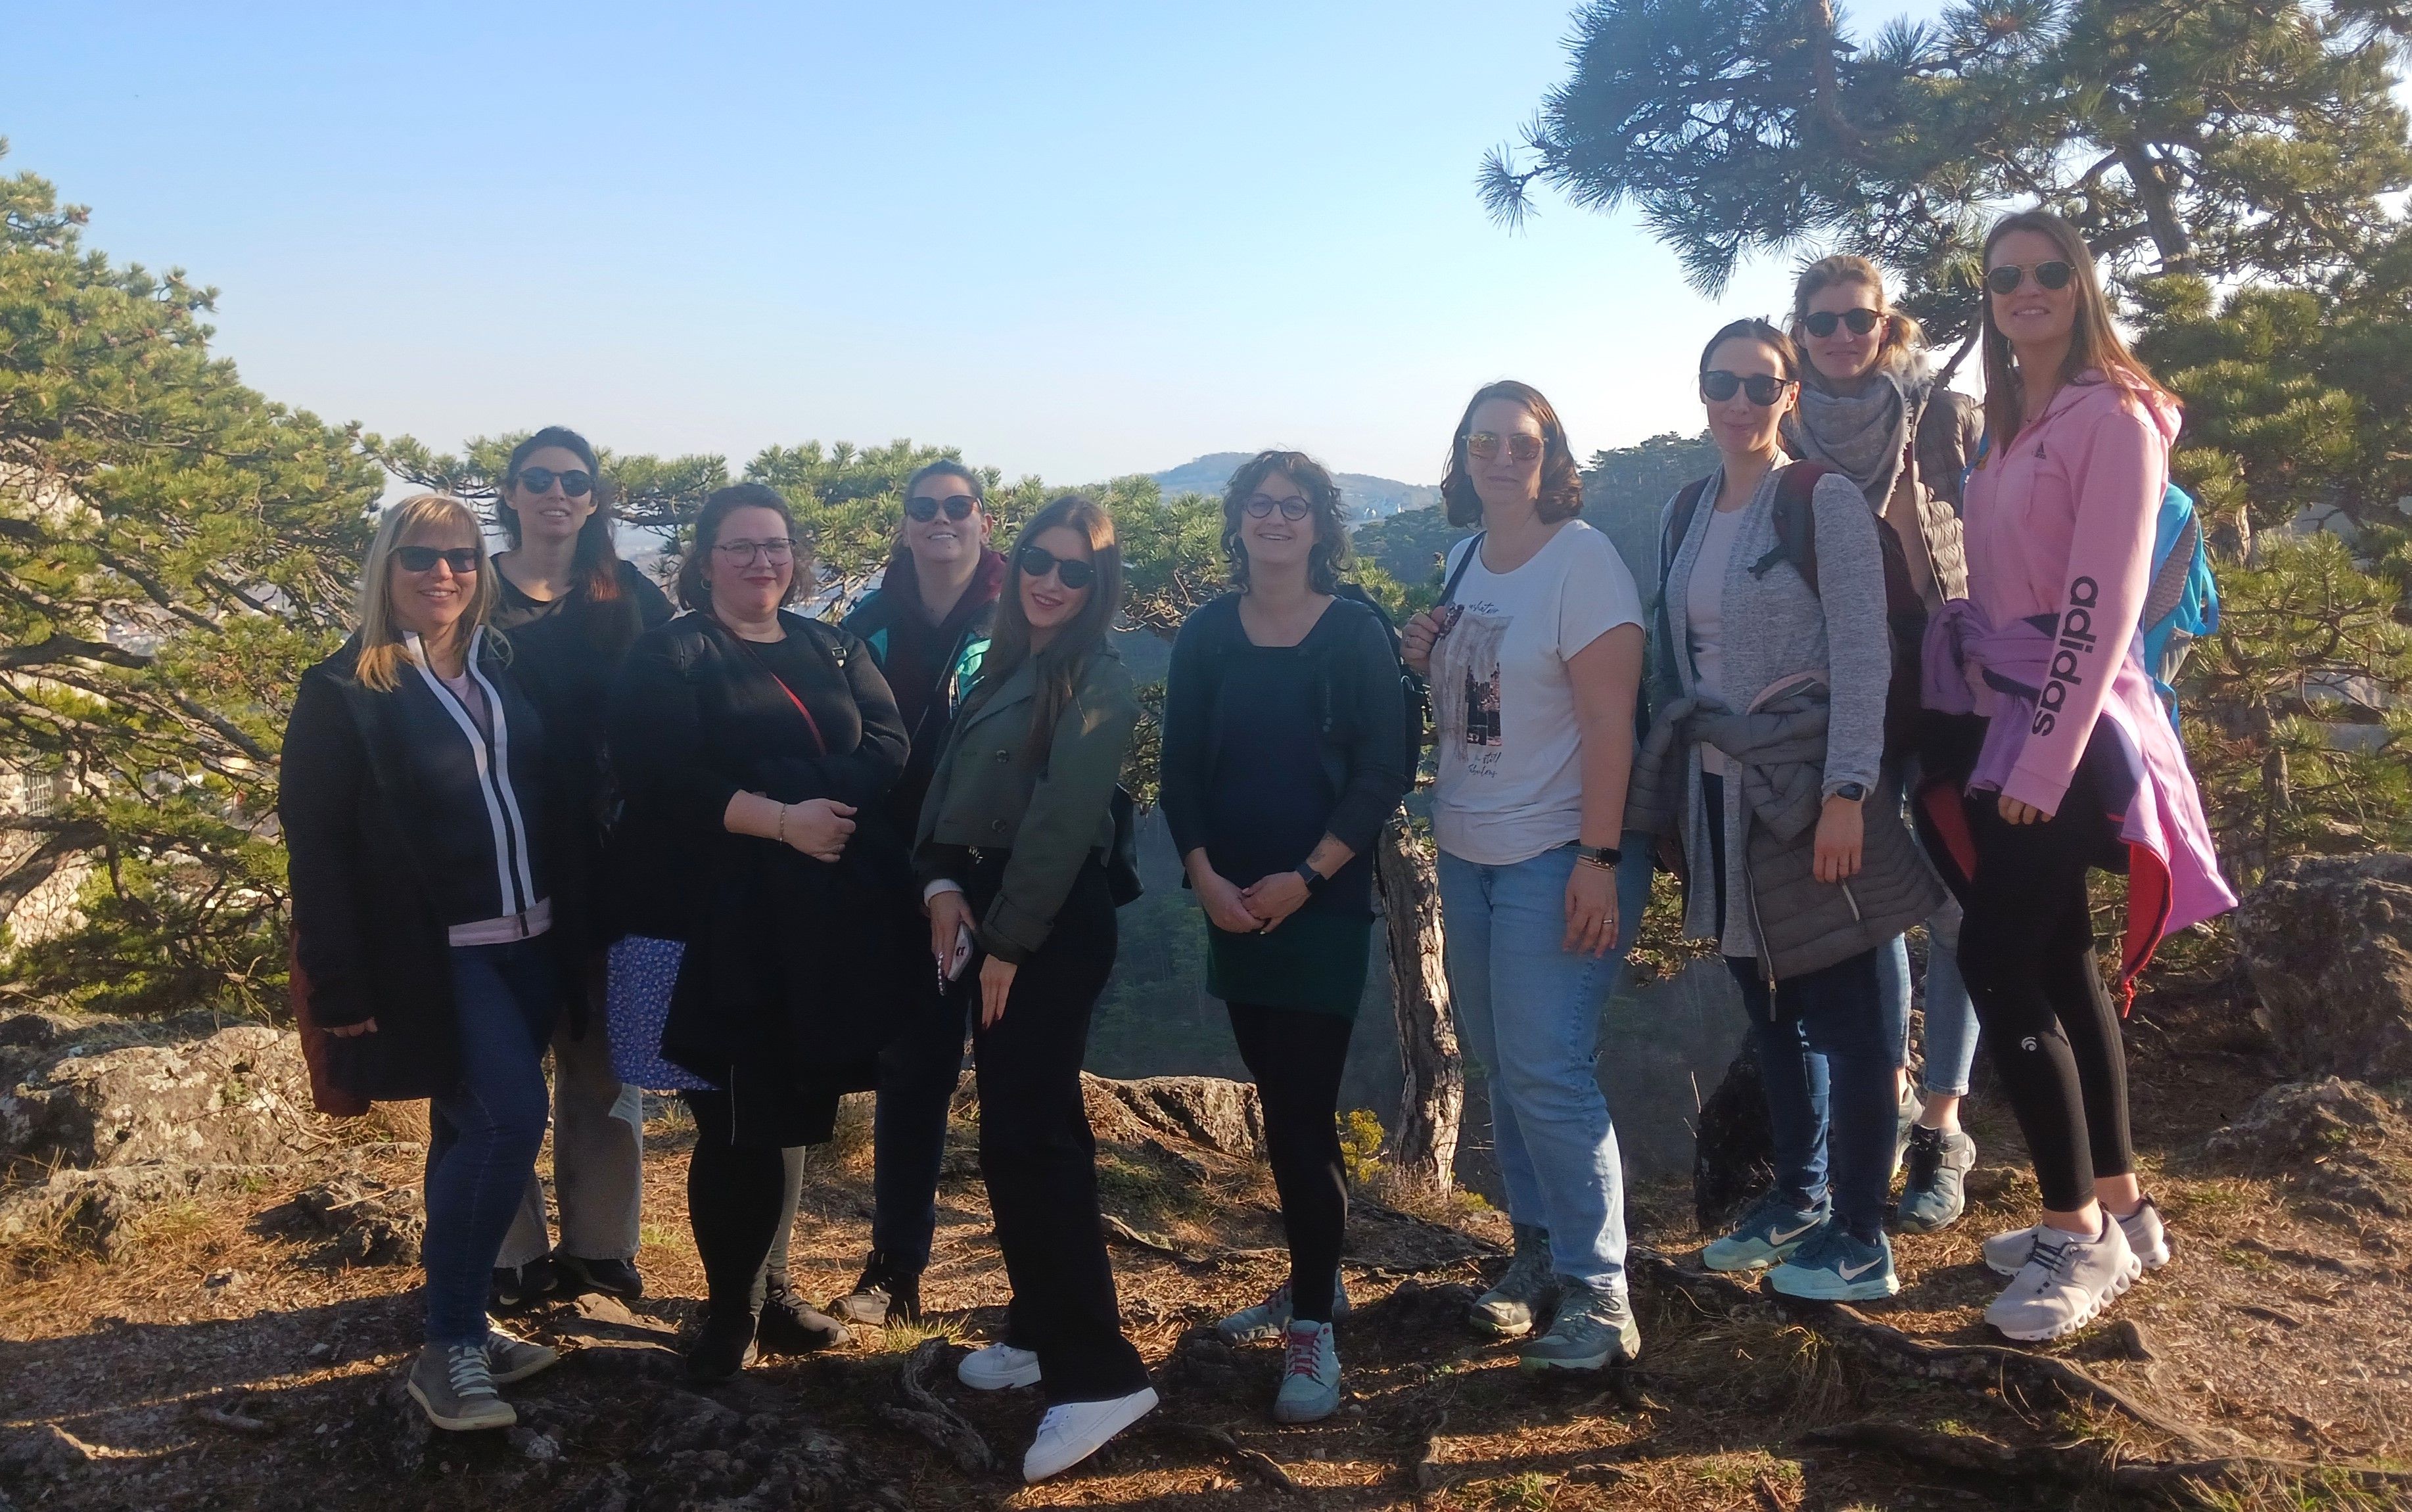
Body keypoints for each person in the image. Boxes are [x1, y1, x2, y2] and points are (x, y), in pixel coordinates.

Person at [1924, 210, 2235, 1340]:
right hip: (2014, 715)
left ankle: (2073, 1236)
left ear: (2082, 283)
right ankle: (2123, 1206)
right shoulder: (2017, 424)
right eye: (2005, 276)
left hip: (2065, 725)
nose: (2027, 288)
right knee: (2058, 958)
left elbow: (2099, 605)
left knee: (1994, 956)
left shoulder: (2114, 417)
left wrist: (2045, 763)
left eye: (2049, 271)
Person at [1625, 321, 1945, 1304]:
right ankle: (1798, 1197)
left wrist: (1850, 791)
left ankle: (1859, 1235)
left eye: (1760, 386)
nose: (1739, 401)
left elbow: (1863, 654)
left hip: (1806, 786)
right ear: (1699, 390)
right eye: (1721, 382)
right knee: (1768, 1010)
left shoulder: (1821, 499)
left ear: (1788, 397)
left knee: (1851, 1018)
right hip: (1718, 792)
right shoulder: (1684, 509)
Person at [604, 483, 913, 1377]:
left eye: (773, 545)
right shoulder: (669, 655)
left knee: (780, 1109)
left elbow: (888, 743)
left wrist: (811, 798)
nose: (760, 561)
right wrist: (783, 814)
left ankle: (769, 1292)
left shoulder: (832, 643)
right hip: (700, 919)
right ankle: (729, 1313)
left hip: (807, 923)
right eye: (738, 546)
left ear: (795, 556)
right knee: (732, 1116)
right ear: (704, 560)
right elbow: (658, 771)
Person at [282, 494, 565, 1432]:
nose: (443, 573)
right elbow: (315, 850)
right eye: (420, 557)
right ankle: (447, 1346)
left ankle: (468, 1325)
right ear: (385, 567)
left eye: (461, 556)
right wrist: (339, 987)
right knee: (507, 1120)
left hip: (532, 942)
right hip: (438, 958)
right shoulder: (343, 691)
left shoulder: (503, 667)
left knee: (463, 1131)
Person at [1398, 381, 1648, 1373]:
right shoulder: (1466, 557)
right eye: (1483, 441)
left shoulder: (1582, 562)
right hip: (1469, 846)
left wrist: (1597, 859)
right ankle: (1534, 1255)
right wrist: (1423, 653)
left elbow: (1607, 723)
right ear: (1461, 457)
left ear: (1552, 458)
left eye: (1522, 442)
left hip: (1556, 851)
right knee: (1508, 1066)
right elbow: (1478, 707)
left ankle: (1601, 1291)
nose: (1501, 457)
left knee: (1549, 1068)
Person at [1159, 451, 1411, 1423]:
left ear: (1319, 524)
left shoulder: (1353, 631)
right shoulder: (1206, 633)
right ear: (1238, 522)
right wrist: (1205, 877)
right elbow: (1179, 768)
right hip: (1231, 900)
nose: (1274, 520)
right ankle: (1322, 1280)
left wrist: (1305, 879)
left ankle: (1312, 1330)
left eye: (1292, 507)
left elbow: (1382, 772)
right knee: (1280, 1104)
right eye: (1259, 505)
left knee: (1302, 1118)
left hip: (1320, 903)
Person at [917, 494, 1156, 1482]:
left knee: (1028, 1138)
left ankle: (1096, 1374)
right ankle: (1034, 1322)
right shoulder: (1002, 657)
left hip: (1045, 925)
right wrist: (935, 879)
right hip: (988, 907)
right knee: (1034, 1119)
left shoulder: (1097, 676)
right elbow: (946, 782)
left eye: (1075, 571)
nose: (1052, 581)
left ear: (1098, 587)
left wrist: (1008, 941)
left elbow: (1062, 822)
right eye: (1039, 564)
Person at [1780, 260, 1987, 1233]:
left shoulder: (1939, 415)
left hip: (1944, 679)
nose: (1837, 335)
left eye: (1855, 319)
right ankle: (1897, 1099)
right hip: (1842, 686)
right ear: (1797, 330)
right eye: (1819, 321)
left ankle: (1943, 1120)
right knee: (1874, 903)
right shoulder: (1782, 425)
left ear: (1884, 323)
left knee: (1954, 899)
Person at [483, 426, 673, 1308]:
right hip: (496, 859)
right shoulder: (469, 591)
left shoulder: (626, 594)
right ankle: (508, 1249)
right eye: (538, 479)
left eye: (573, 480)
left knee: (607, 1067)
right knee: (499, 1066)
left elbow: (687, 690)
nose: (556, 492)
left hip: (616, 863)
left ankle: (602, 1247)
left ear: (594, 499)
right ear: (511, 494)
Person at [827, 459, 1009, 1328]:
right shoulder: (867, 624)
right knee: (915, 1071)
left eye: (956, 505)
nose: (940, 520)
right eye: (923, 508)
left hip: (1007, 871)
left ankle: (1035, 1288)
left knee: (1019, 1083)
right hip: (904, 874)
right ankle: (895, 1271)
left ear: (983, 517)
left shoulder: (1024, 611)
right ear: (903, 524)